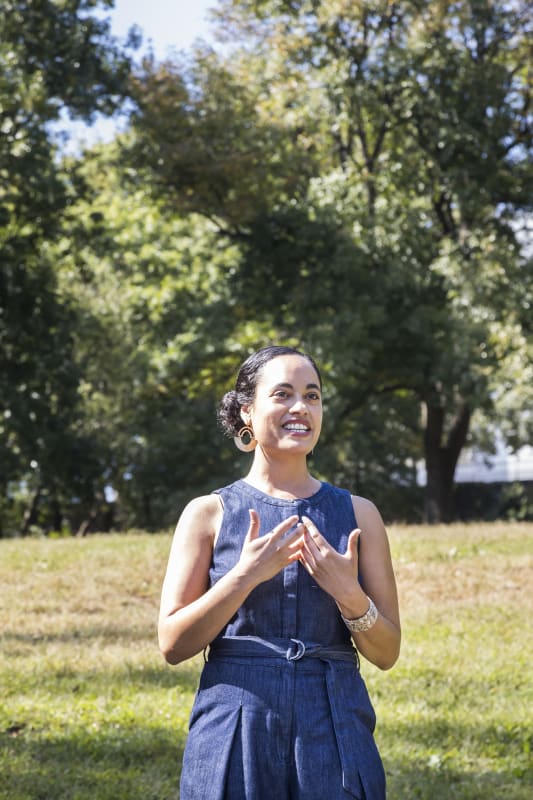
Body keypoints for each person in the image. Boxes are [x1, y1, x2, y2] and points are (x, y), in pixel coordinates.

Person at [158, 345, 401, 800]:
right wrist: (245, 576)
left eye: (312, 396)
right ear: (246, 411)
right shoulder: (207, 513)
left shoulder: (361, 515)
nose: (300, 408)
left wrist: (350, 596)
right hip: (235, 725)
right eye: (283, 394)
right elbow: (173, 644)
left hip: (334, 727)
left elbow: (387, 653)